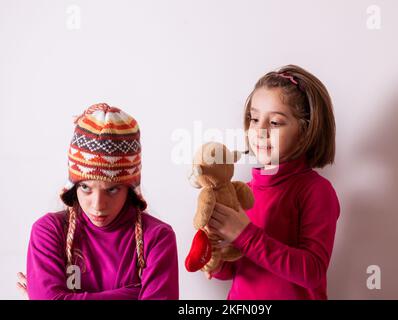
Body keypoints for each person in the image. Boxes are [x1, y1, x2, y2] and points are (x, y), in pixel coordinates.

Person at [205, 65, 341, 299]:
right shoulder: (242, 192)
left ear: (305, 130)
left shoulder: (316, 191)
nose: (260, 130)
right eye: (255, 118)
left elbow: (312, 272)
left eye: (275, 123)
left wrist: (244, 234)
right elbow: (241, 268)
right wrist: (215, 261)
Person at [17, 103, 178, 299]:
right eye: (85, 187)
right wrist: (134, 293)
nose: (98, 205)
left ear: (131, 187)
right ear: (73, 186)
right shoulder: (48, 231)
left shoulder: (157, 238)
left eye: (112, 189)